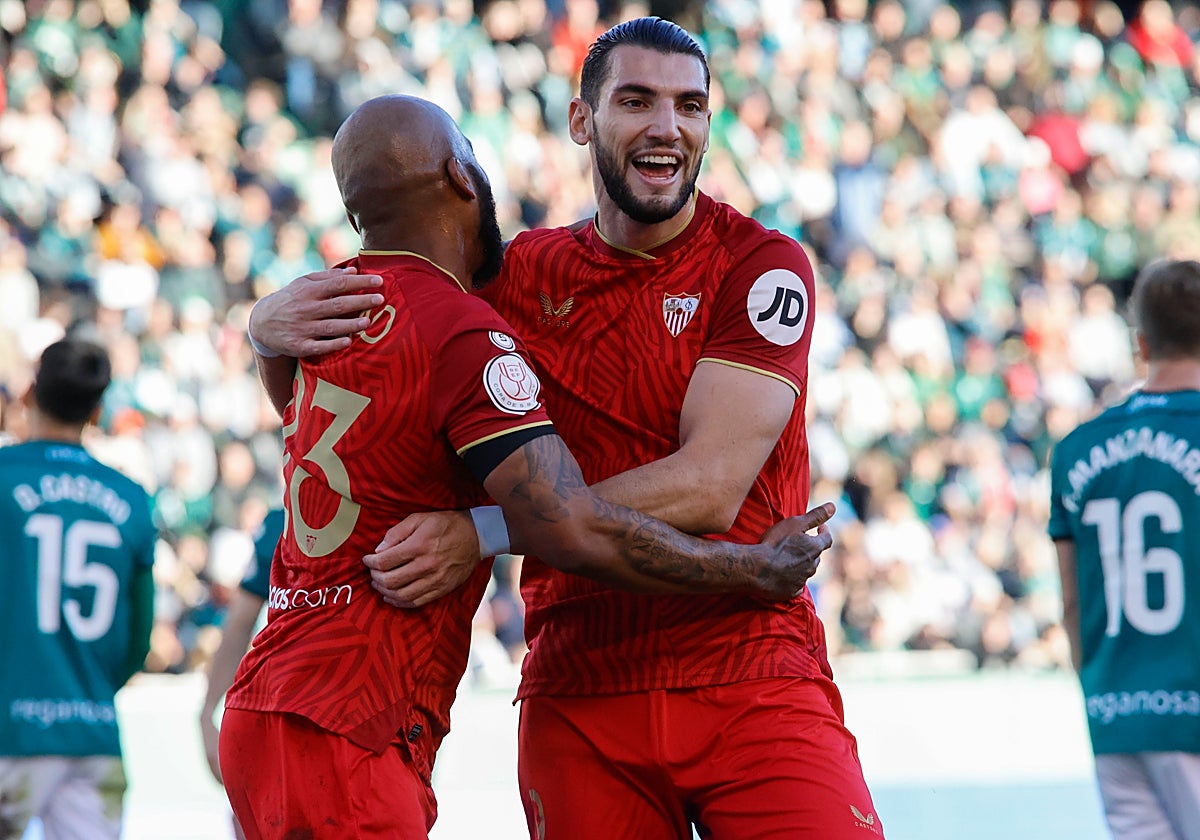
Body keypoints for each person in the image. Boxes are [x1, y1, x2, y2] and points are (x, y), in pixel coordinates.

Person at [251, 19, 881, 839]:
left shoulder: (760, 264)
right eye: (637, 101)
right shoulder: (508, 279)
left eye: (691, 105)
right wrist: (266, 332)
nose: (668, 127)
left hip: (749, 667)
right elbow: (370, 408)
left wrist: (480, 530)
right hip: (579, 689)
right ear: (583, 121)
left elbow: (712, 485)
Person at [1050, 259, 1200, 840]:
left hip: (1117, 713)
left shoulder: (1075, 449)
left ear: (1142, 344)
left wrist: (1100, 690)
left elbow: (1071, 602)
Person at [0, 338, 156, 840]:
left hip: (9, 731)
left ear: (28, 394)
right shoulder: (131, 499)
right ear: (97, 410)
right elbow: (138, 641)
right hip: (93, 734)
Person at [198, 506, 282, 839]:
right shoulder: (282, 521)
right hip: (283, 719)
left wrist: (206, 714)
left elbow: (237, 625)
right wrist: (207, 713)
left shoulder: (285, 518)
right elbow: (237, 627)